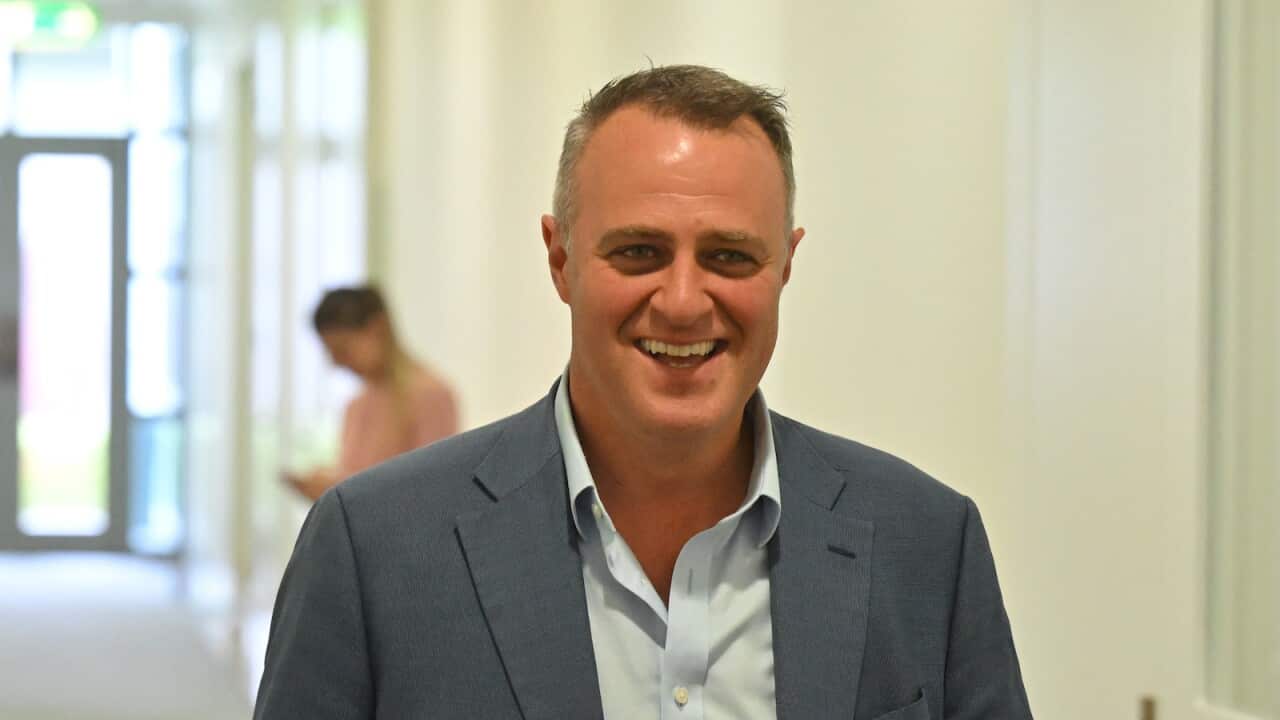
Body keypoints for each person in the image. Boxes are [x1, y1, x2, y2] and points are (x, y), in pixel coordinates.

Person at [256, 66, 1032, 719]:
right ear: (560, 261)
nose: (685, 300)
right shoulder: (374, 550)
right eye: (638, 251)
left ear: (786, 265)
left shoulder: (927, 544)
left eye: (730, 255)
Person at [282, 285, 458, 501]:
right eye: (330, 351)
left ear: (378, 328)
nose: (336, 362)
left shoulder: (431, 396)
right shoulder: (356, 404)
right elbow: (358, 478)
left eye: (343, 348)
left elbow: (434, 489)